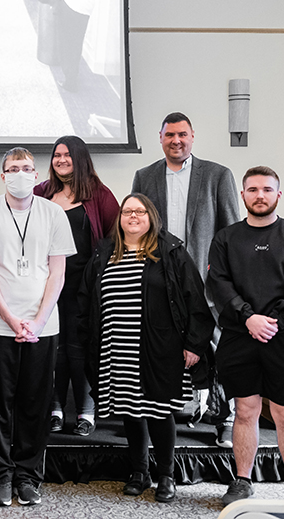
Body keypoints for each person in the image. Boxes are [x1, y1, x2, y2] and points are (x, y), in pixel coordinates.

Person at [80, 193, 213, 502]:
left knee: (157, 409)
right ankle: (139, 472)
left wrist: (194, 344)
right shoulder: (104, 253)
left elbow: (195, 298)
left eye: (140, 211)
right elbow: (86, 299)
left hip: (160, 346)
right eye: (127, 211)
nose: (133, 216)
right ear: (120, 218)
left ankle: (166, 475)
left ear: (152, 217)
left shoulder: (169, 251)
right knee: (128, 408)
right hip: (117, 347)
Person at [206, 167, 284, 504]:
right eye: (253, 189)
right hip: (239, 336)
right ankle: (242, 481)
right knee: (245, 410)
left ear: (278, 195)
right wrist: (248, 318)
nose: (260, 195)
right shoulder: (225, 238)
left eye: (267, 190)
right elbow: (219, 285)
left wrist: (272, 322)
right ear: (242, 195)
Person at [0, 148, 75, 507]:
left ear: (37, 175)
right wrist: (12, 319)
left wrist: (38, 320)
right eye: (13, 169)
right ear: (2, 177)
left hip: (43, 326)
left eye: (27, 169)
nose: (20, 174)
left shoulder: (53, 213)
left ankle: (28, 475)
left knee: (35, 404)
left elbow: (58, 271)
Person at [131, 111, 241, 447]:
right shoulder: (145, 176)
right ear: (160, 138)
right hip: (162, 280)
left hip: (207, 281)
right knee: (161, 350)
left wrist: (224, 275)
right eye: (169, 135)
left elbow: (231, 230)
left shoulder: (217, 175)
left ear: (192, 136)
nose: (176, 141)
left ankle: (226, 418)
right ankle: (160, 417)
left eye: (182, 134)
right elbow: (137, 225)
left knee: (220, 349)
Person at [34, 135, 117, 436]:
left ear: (80, 158)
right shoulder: (40, 192)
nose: (61, 160)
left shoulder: (100, 194)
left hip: (85, 288)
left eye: (67, 155)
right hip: (47, 286)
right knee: (53, 349)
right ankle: (54, 409)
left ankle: (86, 410)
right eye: (56, 155)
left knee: (80, 348)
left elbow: (113, 239)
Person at [52, 0, 97, 91]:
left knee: (66, 43)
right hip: (87, 3)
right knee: (77, 43)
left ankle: (70, 80)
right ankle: (72, 77)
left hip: (71, 0)